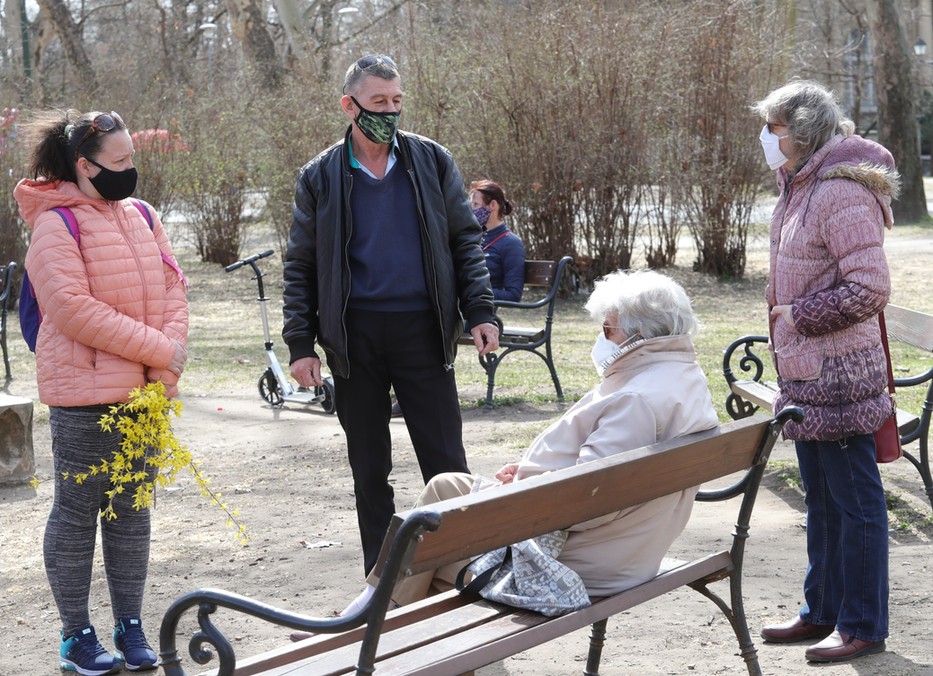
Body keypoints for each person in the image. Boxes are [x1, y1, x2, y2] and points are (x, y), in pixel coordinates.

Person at [333, 270, 719, 615]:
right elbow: (604, 479)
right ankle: (374, 607)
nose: (602, 338)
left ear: (640, 333)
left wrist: (525, 486)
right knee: (446, 486)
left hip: (590, 557)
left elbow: (589, 503)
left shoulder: (635, 399)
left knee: (431, 555)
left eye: (607, 329)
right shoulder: (678, 375)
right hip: (631, 541)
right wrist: (534, 472)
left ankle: (369, 620)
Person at [282, 54, 499, 583]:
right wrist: (301, 344)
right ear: (349, 105)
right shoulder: (319, 175)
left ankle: (462, 565)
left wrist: (479, 310)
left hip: (423, 330)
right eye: (379, 102)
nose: (390, 111)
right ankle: (384, 580)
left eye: (397, 101)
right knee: (369, 467)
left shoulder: (431, 160)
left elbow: (464, 241)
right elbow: (302, 263)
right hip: (354, 338)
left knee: (446, 459)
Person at [14, 109, 189, 674]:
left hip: (142, 393)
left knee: (132, 513)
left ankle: (130, 625)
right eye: (120, 162)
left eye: (132, 158)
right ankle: (76, 636)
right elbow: (74, 311)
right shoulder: (53, 224)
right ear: (85, 165)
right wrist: (160, 352)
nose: (130, 170)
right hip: (83, 396)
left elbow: (173, 288)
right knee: (78, 512)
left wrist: (164, 371)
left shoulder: (141, 214)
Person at [752, 80, 898, 664]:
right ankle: (823, 611)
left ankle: (862, 624)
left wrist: (800, 316)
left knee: (855, 503)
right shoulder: (799, 185)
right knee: (822, 500)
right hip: (805, 373)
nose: (767, 138)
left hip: (839, 375)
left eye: (775, 126)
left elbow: (870, 286)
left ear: (804, 130)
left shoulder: (839, 191)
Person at [470, 179, 526, 302]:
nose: (471, 210)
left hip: (480, 312)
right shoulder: (475, 237)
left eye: (475, 205)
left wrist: (475, 292)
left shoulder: (511, 244)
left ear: (493, 205)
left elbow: (513, 295)